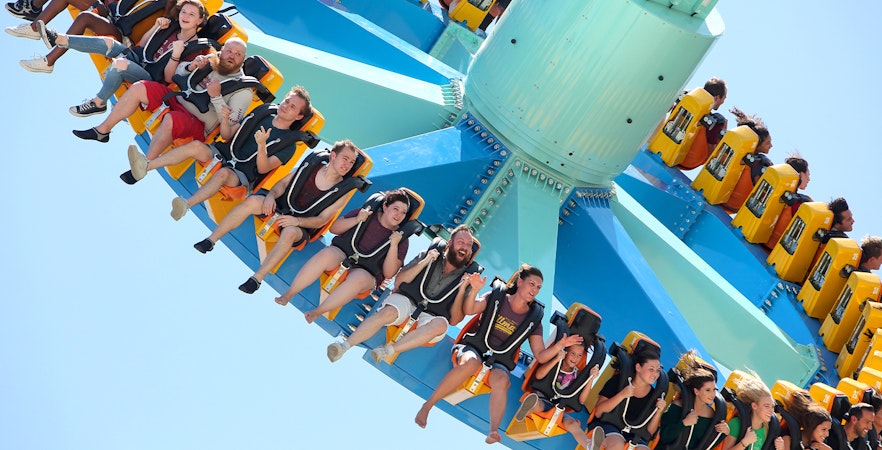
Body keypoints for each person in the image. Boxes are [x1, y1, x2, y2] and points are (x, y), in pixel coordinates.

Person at [414, 265, 579, 445]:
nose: (535, 290)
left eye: (538, 287)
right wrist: (475, 290)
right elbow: (470, 309)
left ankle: (493, 431)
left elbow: (540, 355)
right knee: (471, 363)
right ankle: (428, 406)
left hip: (499, 360)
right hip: (473, 347)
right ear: (520, 281)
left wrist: (560, 346)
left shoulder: (534, 319)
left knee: (502, 380)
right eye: (531, 284)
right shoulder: (497, 296)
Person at [191, 140, 363, 293]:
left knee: (289, 233)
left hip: (300, 225)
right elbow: (282, 184)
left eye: (351, 162)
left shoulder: (343, 191)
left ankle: (256, 279)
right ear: (333, 155)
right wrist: (271, 197)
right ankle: (211, 240)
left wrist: (296, 221)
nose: (347, 164)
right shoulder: (312, 164)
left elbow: (322, 219)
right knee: (252, 202)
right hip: (279, 204)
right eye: (345, 158)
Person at [124, 86, 312, 221]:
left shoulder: (289, 145)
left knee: (223, 173)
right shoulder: (262, 113)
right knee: (196, 146)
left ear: (299, 117)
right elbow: (227, 135)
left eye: (293, 107)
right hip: (224, 152)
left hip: (242, 175)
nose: (286, 106)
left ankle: (186, 205)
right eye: (287, 101)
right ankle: (146, 166)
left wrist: (261, 145)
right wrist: (224, 119)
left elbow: (263, 168)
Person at [325, 225, 484, 364]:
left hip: (432, 316)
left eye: (469, 245)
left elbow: (455, 320)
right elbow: (399, 282)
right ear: (450, 243)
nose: (465, 247)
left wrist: (463, 288)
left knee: (441, 325)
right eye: (461, 242)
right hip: (407, 300)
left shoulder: (469, 278)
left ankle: (387, 351)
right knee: (388, 312)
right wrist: (425, 262)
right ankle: (344, 346)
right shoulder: (427, 254)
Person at [72, 37, 249, 158]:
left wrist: (216, 98)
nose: (232, 56)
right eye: (229, 51)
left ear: (243, 59)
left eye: (238, 54)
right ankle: (102, 131)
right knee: (139, 87)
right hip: (176, 98)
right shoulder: (212, 59)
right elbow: (178, 73)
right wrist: (191, 66)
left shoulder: (243, 90)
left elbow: (227, 131)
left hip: (197, 122)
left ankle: (146, 161)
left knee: (172, 119)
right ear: (222, 49)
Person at [31, 0, 207, 117]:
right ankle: (59, 38)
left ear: (199, 21)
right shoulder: (172, 27)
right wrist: (156, 27)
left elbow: (169, 78)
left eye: (191, 15)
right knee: (108, 43)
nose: (185, 17)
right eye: (184, 12)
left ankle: (98, 103)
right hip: (137, 57)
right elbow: (143, 45)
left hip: (149, 77)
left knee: (120, 64)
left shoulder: (194, 48)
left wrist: (176, 54)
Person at [274, 189, 414, 324]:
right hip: (344, 252)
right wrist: (357, 219)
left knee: (358, 279)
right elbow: (334, 228)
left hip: (367, 272)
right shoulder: (366, 213)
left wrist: (394, 244)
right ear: (385, 207)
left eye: (403, 212)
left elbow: (389, 273)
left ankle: (318, 311)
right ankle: (289, 294)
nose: (399, 215)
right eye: (395, 209)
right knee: (327, 255)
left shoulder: (402, 239)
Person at [13, 0, 177, 72]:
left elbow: (176, 12)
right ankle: (34, 27)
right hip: (112, 16)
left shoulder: (173, 6)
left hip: (123, 37)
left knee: (84, 17)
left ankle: (48, 61)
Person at [512, 341, 601, 449]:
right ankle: (524, 412)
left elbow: (581, 400)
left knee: (572, 423)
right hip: (542, 399)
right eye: (573, 353)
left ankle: (589, 445)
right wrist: (556, 359)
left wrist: (591, 378)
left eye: (579, 355)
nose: (575, 358)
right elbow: (539, 375)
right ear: (566, 352)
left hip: (557, 408)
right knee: (537, 404)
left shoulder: (577, 375)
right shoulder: (556, 363)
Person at [589, 345, 668, 450]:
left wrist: (658, 412)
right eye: (651, 369)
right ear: (638, 367)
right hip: (609, 425)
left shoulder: (654, 396)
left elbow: (650, 432)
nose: (655, 374)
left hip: (634, 434)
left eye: (658, 370)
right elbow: (599, 412)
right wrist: (622, 395)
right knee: (617, 445)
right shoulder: (618, 382)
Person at [657, 350, 729, 449]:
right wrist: (684, 423)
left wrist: (724, 433)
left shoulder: (712, 414)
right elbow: (665, 437)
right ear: (696, 391)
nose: (712, 394)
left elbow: (707, 445)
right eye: (707, 390)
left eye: (714, 390)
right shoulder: (677, 406)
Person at [723, 106, 773, 213]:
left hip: (725, 198)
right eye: (768, 143)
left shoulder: (736, 149)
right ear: (758, 143)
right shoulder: (759, 163)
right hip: (732, 201)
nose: (771, 146)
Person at [720, 377, 784, 450]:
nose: (771, 411)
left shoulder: (769, 430)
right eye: (766, 406)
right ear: (754, 406)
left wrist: (781, 448)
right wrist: (745, 442)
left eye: (772, 407)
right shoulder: (737, 424)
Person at [764, 155, 812, 250]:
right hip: (774, 249)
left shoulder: (770, 188)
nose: (809, 179)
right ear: (801, 175)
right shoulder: (800, 203)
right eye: (808, 175)